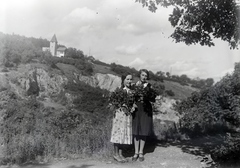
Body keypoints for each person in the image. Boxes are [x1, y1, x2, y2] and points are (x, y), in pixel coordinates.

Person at [132, 69, 155, 162]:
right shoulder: (134, 85)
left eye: (146, 75)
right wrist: (132, 104)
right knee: (136, 130)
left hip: (146, 109)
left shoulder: (149, 86)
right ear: (139, 75)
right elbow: (131, 97)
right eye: (142, 75)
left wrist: (148, 94)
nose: (144, 77)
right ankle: (135, 152)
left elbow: (153, 99)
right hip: (137, 108)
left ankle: (141, 152)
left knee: (143, 130)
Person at [110, 74, 135, 163]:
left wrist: (133, 106)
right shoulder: (120, 90)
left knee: (123, 133)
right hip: (119, 114)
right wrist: (121, 105)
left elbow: (133, 102)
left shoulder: (132, 91)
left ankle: (121, 154)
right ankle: (115, 154)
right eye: (127, 79)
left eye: (130, 79)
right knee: (118, 133)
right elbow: (113, 102)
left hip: (127, 115)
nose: (129, 81)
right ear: (123, 80)